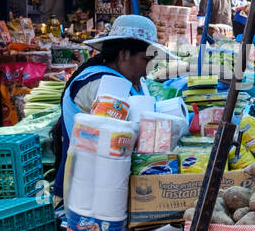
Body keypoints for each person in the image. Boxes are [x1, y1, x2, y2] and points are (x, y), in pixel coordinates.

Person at [52, 15, 169, 198]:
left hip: (113, 186)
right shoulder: (102, 84)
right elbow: (113, 141)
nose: (149, 68)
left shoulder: (132, 81)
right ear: (123, 54)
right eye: (145, 60)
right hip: (88, 193)